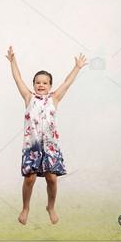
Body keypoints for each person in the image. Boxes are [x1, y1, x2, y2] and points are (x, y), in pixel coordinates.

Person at [6, 46, 86, 224]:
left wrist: (77, 67)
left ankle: (51, 206)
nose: (41, 85)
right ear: (34, 84)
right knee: (30, 178)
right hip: (32, 147)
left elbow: (67, 83)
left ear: (50, 86)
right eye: (38, 82)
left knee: (52, 177)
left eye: (45, 83)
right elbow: (17, 79)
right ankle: (25, 207)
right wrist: (13, 61)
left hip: (50, 146)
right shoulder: (29, 97)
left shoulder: (54, 98)